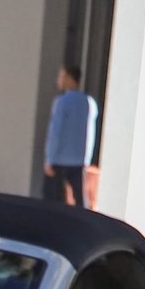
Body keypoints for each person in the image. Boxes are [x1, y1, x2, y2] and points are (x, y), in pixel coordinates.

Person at [42, 63, 97, 207]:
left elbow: (55, 132)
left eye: (61, 76)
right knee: (80, 199)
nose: (58, 80)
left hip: (59, 160)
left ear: (69, 78)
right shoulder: (89, 103)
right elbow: (90, 133)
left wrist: (50, 158)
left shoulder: (61, 102)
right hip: (79, 161)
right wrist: (86, 158)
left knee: (53, 201)